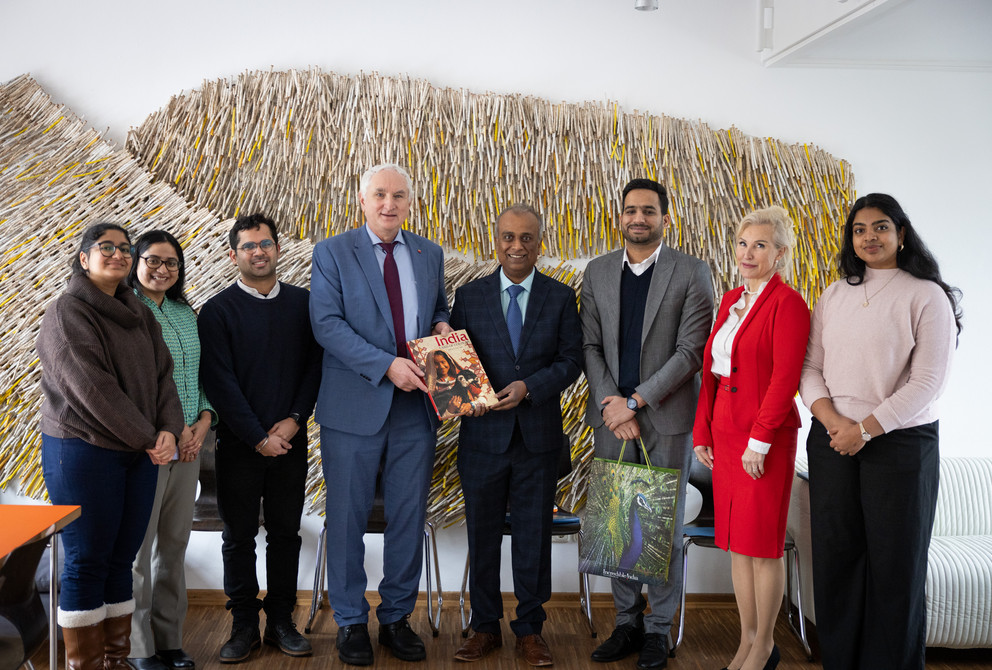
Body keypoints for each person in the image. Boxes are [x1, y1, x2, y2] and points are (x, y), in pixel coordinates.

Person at [800, 193, 961, 670]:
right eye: (859, 229)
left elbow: (928, 382)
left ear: (902, 234)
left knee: (896, 568)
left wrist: (866, 430)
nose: (869, 237)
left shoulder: (926, 294)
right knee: (837, 562)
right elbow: (810, 368)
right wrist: (833, 422)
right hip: (833, 440)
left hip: (900, 445)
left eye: (881, 227)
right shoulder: (833, 294)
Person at [309, 163, 450, 666]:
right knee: (346, 518)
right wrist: (386, 365)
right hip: (353, 407)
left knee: (408, 517)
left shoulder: (428, 253)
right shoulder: (331, 252)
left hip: (417, 407)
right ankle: (350, 621)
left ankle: (395, 618)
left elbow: (439, 308)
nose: (389, 204)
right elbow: (325, 324)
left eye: (399, 196)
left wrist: (439, 324)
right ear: (362, 199)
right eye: (380, 195)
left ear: (410, 202)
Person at [37, 223, 185, 670]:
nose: (118, 255)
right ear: (84, 258)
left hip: (137, 454)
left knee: (121, 559)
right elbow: (93, 390)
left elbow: (165, 377)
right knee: (87, 561)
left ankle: (116, 661)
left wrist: (168, 431)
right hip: (83, 452)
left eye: (124, 248)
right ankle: (86, 665)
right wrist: (150, 438)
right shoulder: (66, 313)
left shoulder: (138, 313)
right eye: (107, 247)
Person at [581, 178, 713, 669]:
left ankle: (659, 630)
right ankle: (626, 624)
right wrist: (613, 404)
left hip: (667, 417)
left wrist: (635, 402)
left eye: (649, 211)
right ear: (620, 216)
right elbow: (590, 346)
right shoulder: (596, 272)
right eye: (631, 210)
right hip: (611, 415)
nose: (639, 218)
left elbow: (691, 353)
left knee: (659, 526)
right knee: (617, 524)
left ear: (664, 217)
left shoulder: (692, 272)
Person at [449, 204, 583, 666]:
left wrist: (531, 387)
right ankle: (484, 626)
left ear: (539, 243)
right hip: (483, 440)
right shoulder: (469, 297)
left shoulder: (562, 297)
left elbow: (572, 361)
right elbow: (455, 361)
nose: (517, 246)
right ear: (496, 241)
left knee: (533, 538)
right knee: (482, 537)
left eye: (527, 237)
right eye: (508, 236)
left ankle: (530, 629)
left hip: (537, 440)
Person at [198, 214, 321, 664]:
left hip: (290, 442)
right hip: (238, 444)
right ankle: (244, 625)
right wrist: (256, 436)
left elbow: (314, 369)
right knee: (239, 537)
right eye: (249, 246)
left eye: (266, 243)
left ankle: (282, 623)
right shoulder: (216, 311)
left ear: (277, 249)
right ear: (234, 255)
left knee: (286, 534)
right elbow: (220, 381)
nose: (259, 251)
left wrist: (292, 420)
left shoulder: (304, 305)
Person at [691, 207, 810, 670]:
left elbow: (785, 379)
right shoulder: (729, 300)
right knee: (737, 545)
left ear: (779, 254)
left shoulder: (789, 304)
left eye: (760, 245)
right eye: (743, 243)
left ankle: (763, 647)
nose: (748, 253)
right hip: (724, 434)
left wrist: (759, 441)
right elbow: (712, 373)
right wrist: (704, 431)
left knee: (763, 546)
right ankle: (746, 641)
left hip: (764, 441)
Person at [124, 230, 216, 670]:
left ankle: (170, 640)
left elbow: (200, 378)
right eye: (153, 260)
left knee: (175, 544)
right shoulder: (124, 312)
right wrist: (164, 432)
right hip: (148, 448)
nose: (162, 270)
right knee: (139, 552)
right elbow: (127, 386)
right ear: (135, 262)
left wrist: (202, 423)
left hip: (190, 445)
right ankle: (139, 646)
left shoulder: (185, 312)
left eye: (172, 263)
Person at [427, 350, 478, 417]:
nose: (441, 366)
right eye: (436, 364)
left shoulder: (463, 377)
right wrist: (450, 410)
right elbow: (435, 412)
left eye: (443, 362)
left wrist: (471, 404)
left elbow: (482, 397)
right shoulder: (432, 385)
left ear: (449, 361)